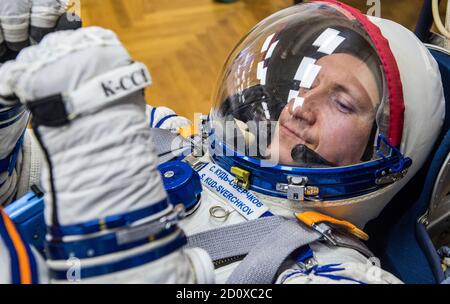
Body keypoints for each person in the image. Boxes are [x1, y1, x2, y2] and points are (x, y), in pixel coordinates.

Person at [0, 0, 445, 284]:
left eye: (342, 104)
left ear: (384, 151)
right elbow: (20, 180)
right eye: (302, 85)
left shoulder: (329, 270)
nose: (299, 107)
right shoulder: (171, 138)